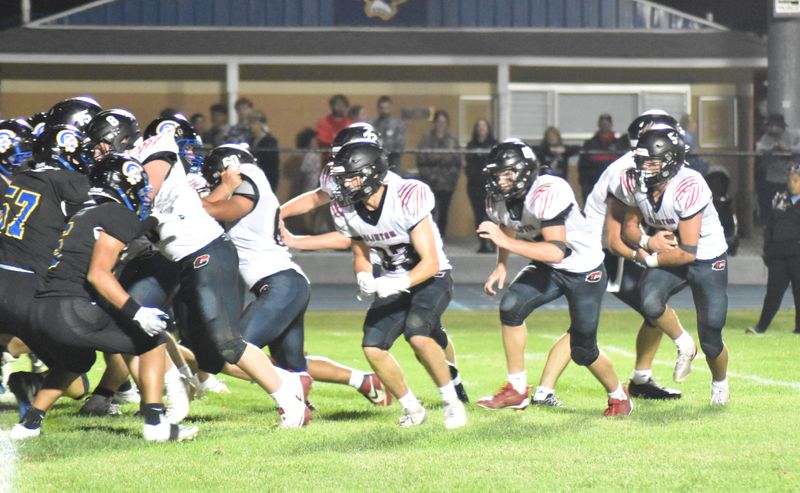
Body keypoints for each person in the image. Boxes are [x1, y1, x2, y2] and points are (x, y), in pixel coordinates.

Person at [13, 154, 198, 442]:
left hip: (40, 308)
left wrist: (152, 219)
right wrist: (138, 312)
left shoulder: (82, 213)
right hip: (69, 307)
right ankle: (155, 423)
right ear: (124, 184)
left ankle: (28, 425)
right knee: (152, 342)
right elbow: (98, 275)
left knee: (74, 361)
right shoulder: (115, 214)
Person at [280, 123, 468, 403]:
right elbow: (345, 231)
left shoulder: (400, 193)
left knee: (424, 332)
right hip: (387, 267)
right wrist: (277, 215)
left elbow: (423, 257)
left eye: (347, 154)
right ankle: (420, 402)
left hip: (420, 269)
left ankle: (452, 384)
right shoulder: (344, 182)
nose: (339, 168)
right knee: (405, 335)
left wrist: (298, 241)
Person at [199, 144, 392, 406]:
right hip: (287, 283)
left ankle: (292, 389)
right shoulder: (251, 184)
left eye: (215, 178)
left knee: (232, 352)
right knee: (292, 365)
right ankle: (360, 382)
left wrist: (187, 197)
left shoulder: (247, 177)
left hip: (279, 285)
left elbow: (213, 210)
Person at [476, 139, 632, 416]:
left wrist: (505, 243)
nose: (501, 180)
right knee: (511, 307)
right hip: (549, 266)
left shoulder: (548, 190)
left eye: (508, 173)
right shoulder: (498, 199)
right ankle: (516, 388)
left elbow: (556, 250)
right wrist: (501, 265)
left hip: (584, 269)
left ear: (524, 172)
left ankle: (619, 396)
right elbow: (508, 226)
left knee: (584, 349)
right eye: (497, 174)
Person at [329, 138, 467, 428]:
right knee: (373, 347)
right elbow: (361, 252)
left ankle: (452, 403)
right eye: (344, 179)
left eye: (352, 177)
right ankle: (413, 409)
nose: (346, 185)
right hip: (393, 278)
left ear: (372, 174)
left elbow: (430, 262)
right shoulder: (347, 209)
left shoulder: (406, 195)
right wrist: (364, 274)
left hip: (431, 277)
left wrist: (396, 283)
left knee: (418, 333)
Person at [616, 124, 730, 405]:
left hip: (705, 257)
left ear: (670, 161)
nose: (644, 166)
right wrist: (646, 241)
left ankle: (720, 382)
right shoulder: (633, 181)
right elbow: (628, 228)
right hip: (670, 253)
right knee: (649, 301)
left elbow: (689, 250)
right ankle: (683, 344)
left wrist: (650, 258)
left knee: (712, 335)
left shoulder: (689, 184)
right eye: (641, 159)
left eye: (651, 161)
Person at [747, 163, 800, 335]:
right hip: (778, 254)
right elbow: (769, 227)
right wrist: (767, 250)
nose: (792, 183)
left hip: (797, 255)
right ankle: (761, 327)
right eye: (790, 179)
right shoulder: (778, 199)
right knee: (773, 294)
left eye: (796, 180)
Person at [416, 110, 461, 238]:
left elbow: (457, 161)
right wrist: (430, 177)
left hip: (447, 183)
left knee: (444, 211)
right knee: (430, 210)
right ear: (435, 123)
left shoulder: (452, 140)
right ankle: (430, 237)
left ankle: (441, 236)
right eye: (439, 121)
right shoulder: (426, 139)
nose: (441, 124)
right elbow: (421, 160)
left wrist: (452, 178)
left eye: (444, 122)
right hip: (430, 182)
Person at [755, 114, 800, 222]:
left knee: (790, 205)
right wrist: (772, 148)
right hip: (772, 178)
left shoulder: (794, 134)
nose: (772, 129)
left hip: (790, 177)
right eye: (770, 126)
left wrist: (788, 149)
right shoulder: (767, 137)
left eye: (775, 126)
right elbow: (759, 148)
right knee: (771, 204)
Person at [465, 119, 498, 253]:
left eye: (483, 126)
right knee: (479, 215)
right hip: (475, 184)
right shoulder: (471, 145)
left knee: (492, 215)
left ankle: (494, 242)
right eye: (478, 126)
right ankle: (483, 243)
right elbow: (468, 164)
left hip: (491, 184)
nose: (481, 128)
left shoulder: (494, 144)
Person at [578, 113, 625, 201]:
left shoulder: (619, 144)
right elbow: (582, 167)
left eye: (607, 123)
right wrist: (584, 185)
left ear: (611, 124)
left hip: (614, 184)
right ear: (599, 124)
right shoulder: (589, 144)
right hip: (593, 184)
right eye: (602, 123)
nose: (605, 125)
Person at [371, 95, 406, 173]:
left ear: (390, 107)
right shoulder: (373, 124)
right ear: (378, 108)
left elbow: (400, 144)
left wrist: (384, 147)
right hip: (376, 161)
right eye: (382, 108)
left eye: (386, 108)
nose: (384, 110)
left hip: (393, 161)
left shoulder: (398, 124)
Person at [247, 110, 280, 191]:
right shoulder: (251, 141)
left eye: (253, 123)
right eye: (249, 123)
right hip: (253, 177)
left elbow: (270, 162)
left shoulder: (270, 141)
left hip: (267, 178)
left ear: (261, 124)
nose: (250, 126)